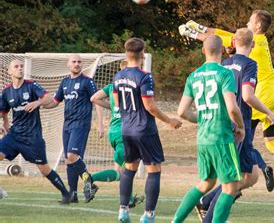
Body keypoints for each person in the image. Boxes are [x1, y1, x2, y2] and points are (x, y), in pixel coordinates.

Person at [179, 10, 274, 200]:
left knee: (241, 134)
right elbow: (225, 35)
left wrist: (193, 33)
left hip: (261, 95)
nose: (246, 22)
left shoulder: (256, 40)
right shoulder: (260, 41)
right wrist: (200, 27)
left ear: (257, 26)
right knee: (271, 141)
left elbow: (220, 40)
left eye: (250, 21)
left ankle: (239, 181)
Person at [196, 28, 274, 223]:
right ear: (253, 44)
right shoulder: (249, 64)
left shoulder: (224, 63)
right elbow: (247, 96)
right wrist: (268, 112)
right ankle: (209, 211)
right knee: (238, 179)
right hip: (240, 125)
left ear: (233, 43)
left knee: (248, 176)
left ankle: (207, 201)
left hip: (222, 124)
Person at [172, 35, 245, 223]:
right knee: (231, 188)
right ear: (222, 50)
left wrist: (202, 118)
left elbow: (181, 112)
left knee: (206, 183)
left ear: (203, 51)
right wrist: (241, 127)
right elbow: (231, 107)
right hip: (220, 137)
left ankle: (175, 221)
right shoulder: (224, 74)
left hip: (203, 138)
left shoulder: (193, 76)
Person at [113, 38, 182, 223]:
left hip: (126, 129)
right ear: (142, 54)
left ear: (127, 54)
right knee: (154, 170)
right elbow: (149, 106)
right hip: (144, 129)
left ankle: (123, 211)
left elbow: (117, 103)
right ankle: (149, 215)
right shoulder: (145, 76)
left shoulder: (118, 76)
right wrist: (169, 120)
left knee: (129, 168)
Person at [0, 60, 70, 204]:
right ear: (9, 72)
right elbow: (3, 109)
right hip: (14, 135)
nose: (20, 69)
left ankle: (66, 194)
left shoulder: (31, 85)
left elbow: (49, 97)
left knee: (44, 170)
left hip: (32, 137)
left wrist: (37, 102)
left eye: (21, 66)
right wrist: (5, 122)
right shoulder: (7, 91)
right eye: (16, 67)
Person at [44, 54, 103, 203]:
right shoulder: (64, 82)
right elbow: (55, 101)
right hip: (67, 125)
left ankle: (88, 180)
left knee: (72, 155)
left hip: (81, 124)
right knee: (69, 160)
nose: (77, 64)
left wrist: (101, 124)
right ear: (68, 65)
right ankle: (73, 194)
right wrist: (39, 104)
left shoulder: (87, 82)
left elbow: (97, 101)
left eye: (79, 62)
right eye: (74, 62)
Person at [90, 60, 144, 209]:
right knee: (122, 171)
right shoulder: (134, 87)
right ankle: (90, 178)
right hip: (125, 133)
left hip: (113, 132)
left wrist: (112, 109)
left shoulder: (112, 86)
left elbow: (94, 98)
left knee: (123, 169)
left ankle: (130, 198)